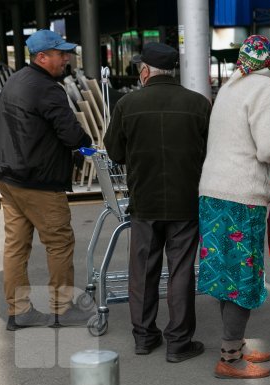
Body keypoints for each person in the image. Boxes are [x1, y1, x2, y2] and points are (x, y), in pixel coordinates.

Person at [197, 35, 270, 379]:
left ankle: (235, 346)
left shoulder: (230, 88)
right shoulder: (265, 87)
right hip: (241, 197)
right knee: (242, 276)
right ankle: (230, 359)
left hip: (214, 193)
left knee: (225, 273)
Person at [104, 42, 211, 362]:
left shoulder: (127, 104)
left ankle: (144, 337)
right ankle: (179, 342)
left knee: (143, 270)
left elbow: (115, 152)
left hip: (145, 202)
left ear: (146, 71)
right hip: (185, 202)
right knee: (180, 270)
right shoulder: (198, 104)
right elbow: (209, 151)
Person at [0, 29, 94, 331]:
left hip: (8, 175)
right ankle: (63, 309)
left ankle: (19, 311)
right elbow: (71, 134)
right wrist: (85, 143)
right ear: (42, 57)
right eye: (61, 54)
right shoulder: (47, 88)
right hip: (37, 179)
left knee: (16, 245)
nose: (66, 59)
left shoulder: (16, 79)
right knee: (59, 241)